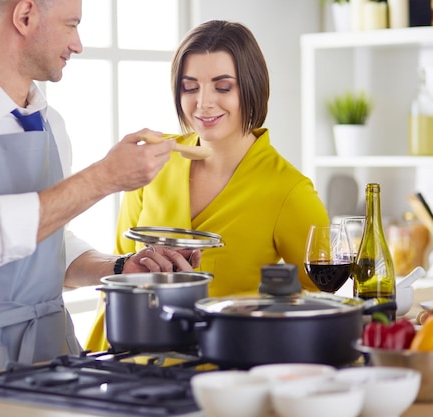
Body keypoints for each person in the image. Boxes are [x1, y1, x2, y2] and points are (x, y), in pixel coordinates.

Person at [0, 0, 199, 389]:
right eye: (71, 25)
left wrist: (119, 267)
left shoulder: (52, 124)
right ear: (25, 15)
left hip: (53, 358)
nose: (78, 44)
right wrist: (104, 177)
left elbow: (46, 242)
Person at [84, 20, 329, 351]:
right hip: (125, 363)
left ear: (251, 87)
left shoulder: (289, 190)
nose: (203, 103)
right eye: (190, 87)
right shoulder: (153, 162)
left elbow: (318, 307)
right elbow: (119, 270)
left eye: (223, 87)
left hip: (223, 374)